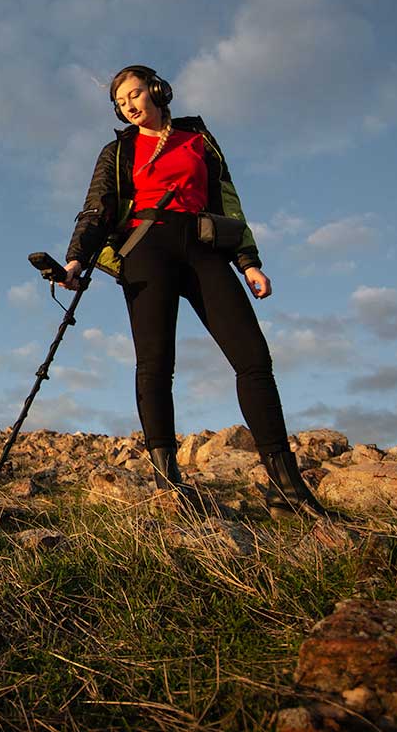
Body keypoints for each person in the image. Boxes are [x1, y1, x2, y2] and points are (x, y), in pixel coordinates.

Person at [59, 64, 327, 517]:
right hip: (146, 249)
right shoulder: (118, 151)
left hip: (203, 247)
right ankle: (169, 486)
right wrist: (75, 260)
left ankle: (288, 490)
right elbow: (96, 209)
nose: (129, 105)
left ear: (158, 91)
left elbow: (228, 202)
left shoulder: (198, 140)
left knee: (253, 359)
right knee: (155, 364)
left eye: (135, 94)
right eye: (121, 102)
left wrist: (249, 262)